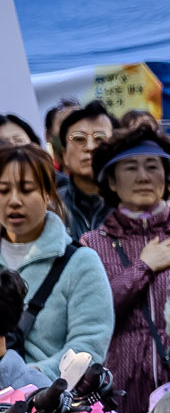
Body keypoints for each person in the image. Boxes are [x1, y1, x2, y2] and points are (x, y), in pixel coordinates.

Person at [84, 126, 170, 413]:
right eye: (131, 168)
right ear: (112, 182)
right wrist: (144, 267)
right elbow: (96, 315)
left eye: (153, 167)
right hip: (118, 394)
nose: (143, 176)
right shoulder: (92, 244)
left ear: (167, 177)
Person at [0, 145, 111, 382]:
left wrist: (29, 379)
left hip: (49, 405)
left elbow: (88, 344)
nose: (14, 201)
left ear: (49, 194)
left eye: (27, 189)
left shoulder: (81, 262)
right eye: (3, 190)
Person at [52, 100, 115, 239]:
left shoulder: (132, 206)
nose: (90, 147)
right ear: (64, 154)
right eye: (79, 139)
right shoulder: (51, 208)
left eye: (100, 139)